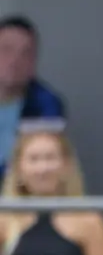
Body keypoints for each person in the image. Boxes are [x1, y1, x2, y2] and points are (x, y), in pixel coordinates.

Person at [0, 16, 66, 179]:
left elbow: (40, 170)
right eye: (7, 50)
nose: (15, 61)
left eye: (25, 53)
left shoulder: (46, 105)